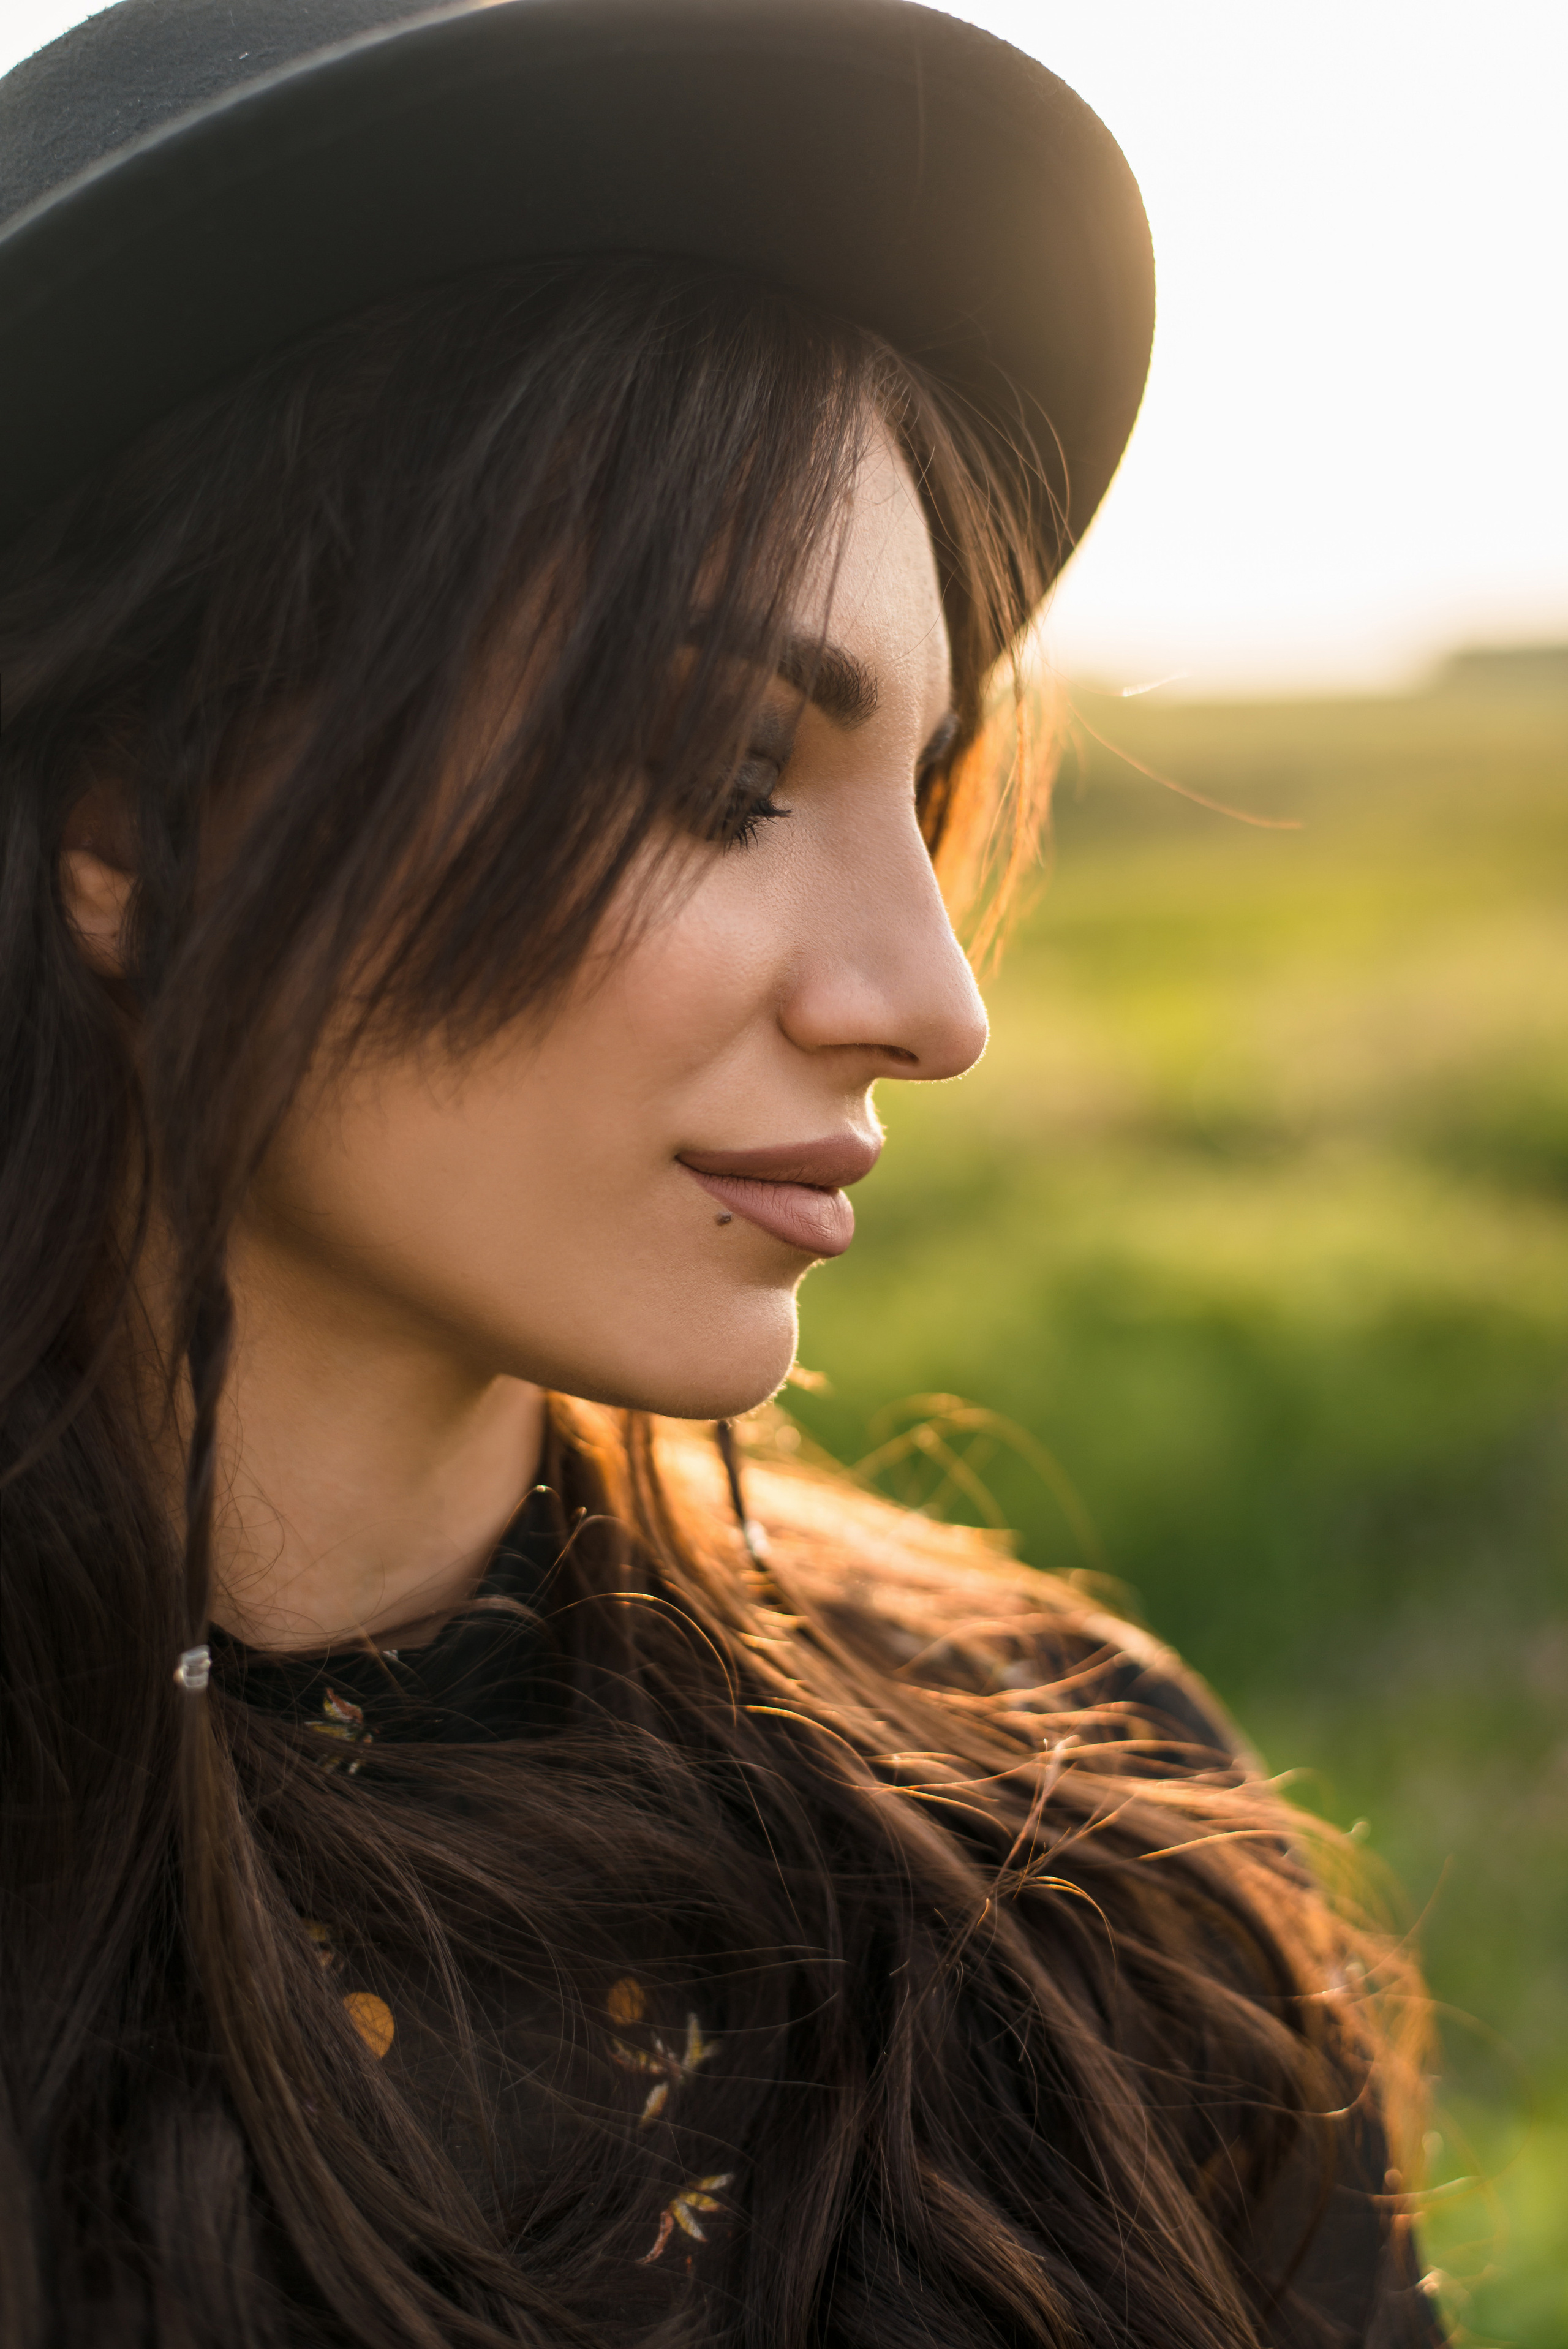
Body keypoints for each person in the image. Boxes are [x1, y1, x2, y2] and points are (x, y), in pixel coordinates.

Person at [0, 2, 1442, 2342]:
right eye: (717, 759)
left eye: (928, 782)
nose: (931, 1001)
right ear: (118, 822)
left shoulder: (1072, 1858)